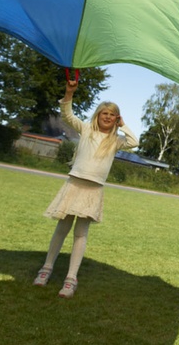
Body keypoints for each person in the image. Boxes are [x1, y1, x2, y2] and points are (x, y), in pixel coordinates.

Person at [33, 77, 138, 298]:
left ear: (116, 118)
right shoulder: (87, 130)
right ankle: (46, 269)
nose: (107, 117)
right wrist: (69, 93)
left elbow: (134, 142)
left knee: (81, 234)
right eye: (104, 113)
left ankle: (71, 279)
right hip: (75, 183)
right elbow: (67, 115)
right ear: (98, 115)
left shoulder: (116, 140)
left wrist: (123, 125)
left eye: (112, 115)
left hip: (93, 189)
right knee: (62, 228)